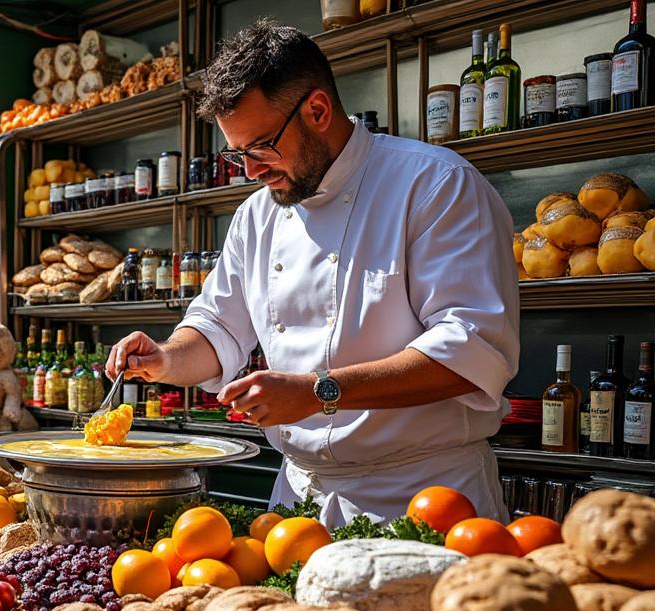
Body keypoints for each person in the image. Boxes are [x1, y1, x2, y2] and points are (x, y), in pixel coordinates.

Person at [105, 22, 518, 528]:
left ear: (317, 111)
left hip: (423, 498)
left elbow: (469, 351)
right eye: (237, 155)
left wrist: (317, 390)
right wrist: (166, 359)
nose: (250, 171)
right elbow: (217, 327)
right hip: (298, 505)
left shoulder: (435, 185)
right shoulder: (257, 215)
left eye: (260, 147)